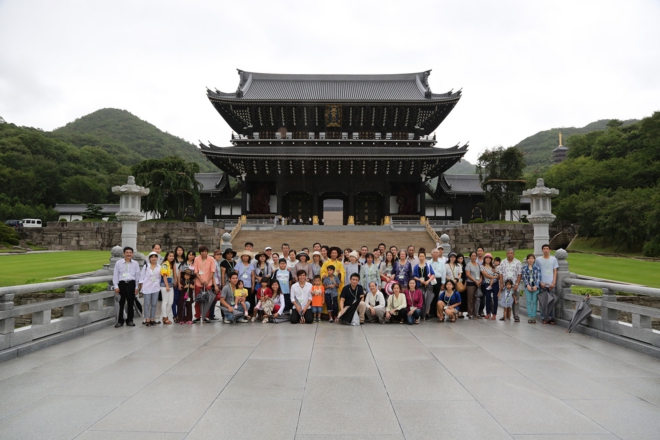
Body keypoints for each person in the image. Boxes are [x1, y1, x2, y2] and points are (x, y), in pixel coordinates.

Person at [112, 246, 140, 328]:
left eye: (130, 253)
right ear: (124, 254)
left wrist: (136, 287)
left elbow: (137, 276)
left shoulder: (135, 263)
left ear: (132, 254)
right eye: (127, 253)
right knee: (121, 303)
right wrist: (116, 286)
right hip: (122, 283)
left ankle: (130, 320)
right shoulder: (118, 263)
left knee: (130, 302)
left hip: (131, 283)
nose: (128, 254)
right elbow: (115, 275)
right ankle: (120, 321)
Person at [193, 245, 218, 323]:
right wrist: (200, 279)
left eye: (205, 251)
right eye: (202, 251)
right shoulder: (197, 259)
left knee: (207, 300)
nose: (204, 253)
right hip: (198, 282)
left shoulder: (211, 259)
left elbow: (212, 271)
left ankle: (206, 316)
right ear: (200, 252)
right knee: (198, 299)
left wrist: (207, 280)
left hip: (208, 282)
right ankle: (197, 315)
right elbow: (196, 271)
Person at [498, 248, 523, 323]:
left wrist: (517, 284)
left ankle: (516, 316)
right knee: (506, 301)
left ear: (514, 254)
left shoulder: (517, 262)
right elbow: (501, 273)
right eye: (508, 253)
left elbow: (519, 274)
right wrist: (501, 283)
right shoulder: (503, 262)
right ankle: (506, 315)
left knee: (515, 301)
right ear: (506, 254)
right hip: (506, 286)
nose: (509, 254)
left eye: (511, 253)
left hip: (514, 285)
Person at [536, 244, 559, 325]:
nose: (546, 250)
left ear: (550, 250)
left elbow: (555, 271)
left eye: (547, 249)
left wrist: (554, 282)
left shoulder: (553, 259)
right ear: (542, 250)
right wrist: (539, 282)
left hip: (551, 284)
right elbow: (537, 271)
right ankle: (543, 317)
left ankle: (550, 317)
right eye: (544, 249)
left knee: (551, 301)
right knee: (543, 302)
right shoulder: (538, 259)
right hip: (542, 283)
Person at [140, 252, 162, 326]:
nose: (153, 258)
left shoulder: (159, 267)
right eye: (152, 257)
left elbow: (160, 277)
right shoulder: (146, 266)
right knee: (146, 304)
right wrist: (141, 287)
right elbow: (141, 277)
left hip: (155, 287)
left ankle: (152, 319)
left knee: (154, 304)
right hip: (147, 287)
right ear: (149, 258)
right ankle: (147, 319)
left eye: (155, 257)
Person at [413, 250, 436, 321]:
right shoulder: (416, 266)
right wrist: (420, 280)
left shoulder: (428, 266)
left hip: (428, 285)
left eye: (423, 256)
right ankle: (421, 314)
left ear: (425, 257)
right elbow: (414, 276)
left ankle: (426, 314)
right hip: (420, 285)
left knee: (428, 300)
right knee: (421, 300)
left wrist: (428, 281)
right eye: (420, 256)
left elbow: (433, 274)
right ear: (418, 257)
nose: (421, 257)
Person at [522, 253, 541, 324]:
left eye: (532, 258)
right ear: (527, 260)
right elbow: (524, 278)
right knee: (529, 301)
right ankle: (530, 316)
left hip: (536, 287)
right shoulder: (524, 268)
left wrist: (536, 286)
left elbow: (539, 278)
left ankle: (534, 316)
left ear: (534, 260)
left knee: (534, 301)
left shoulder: (537, 268)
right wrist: (527, 285)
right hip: (528, 287)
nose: (530, 260)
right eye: (529, 258)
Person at [480, 253, 499, 320]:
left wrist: (496, 275)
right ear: (484, 259)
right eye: (486, 258)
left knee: (495, 299)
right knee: (487, 299)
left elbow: (499, 273)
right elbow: (486, 275)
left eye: (489, 258)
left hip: (495, 283)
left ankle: (494, 314)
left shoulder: (494, 266)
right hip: (487, 283)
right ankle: (488, 313)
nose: (488, 259)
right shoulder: (482, 266)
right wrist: (495, 276)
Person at [429, 247, 447, 319]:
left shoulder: (442, 263)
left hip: (438, 280)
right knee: (430, 296)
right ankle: (430, 312)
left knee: (437, 296)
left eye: (437, 253)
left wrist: (443, 283)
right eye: (434, 253)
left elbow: (443, 273)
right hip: (431, 280)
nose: (436, 254)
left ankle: (437, 312)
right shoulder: (428, 262)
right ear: (431, 254)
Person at [464, 251, 482, 319]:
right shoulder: (468, 265)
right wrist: (475, 281)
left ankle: (476, 312)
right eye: (472, 256)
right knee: (470, 299)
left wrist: (480, 280)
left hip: (478, 284)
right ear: (470, 257)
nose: (474, 257)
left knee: (476, 299)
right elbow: (468, 274)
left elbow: (481, 273)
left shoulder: (478, 264)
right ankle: (470, 313)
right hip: (471, 283)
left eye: (475, 256)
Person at [160, 251, 175, 325]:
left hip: (170, 285)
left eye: (172, 256)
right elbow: (164, 275)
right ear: (167, 256)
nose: (171, 257)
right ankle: (165, 317)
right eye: (170, 256)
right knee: (165, 302)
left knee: (170, 302)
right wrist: (166, 285)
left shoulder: (171, 264)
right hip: (165, 285)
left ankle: (165, 316)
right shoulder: (165, 264)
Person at [172, 246, 186, 322]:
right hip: (175, 281)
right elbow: (174, 271)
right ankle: (175, 315)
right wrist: (177, 281)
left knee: (181, 300)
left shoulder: (185, 260)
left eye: (181, 250)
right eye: (178, 250)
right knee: (175, 299)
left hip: (183, 281)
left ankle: (180, 314)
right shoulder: (174, 260)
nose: (180, 251)